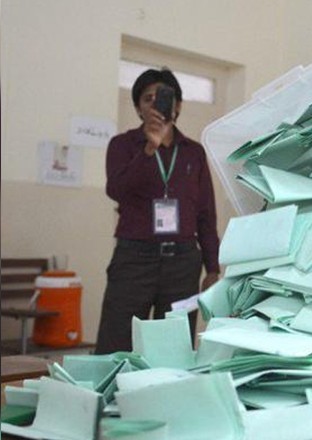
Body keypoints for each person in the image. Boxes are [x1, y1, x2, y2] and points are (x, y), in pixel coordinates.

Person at [95, 68, 220, 354]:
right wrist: (148, 150)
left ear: (177, 105)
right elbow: (116, 190)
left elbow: (205, 213)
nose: (155, 103)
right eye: (147, 98)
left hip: (183, 264)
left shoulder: (193, 152)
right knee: (116, 343)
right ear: (139, 108)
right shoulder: (123, 145)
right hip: (133, 261)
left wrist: (212, 267)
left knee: (173, 349)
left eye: (162, 97)